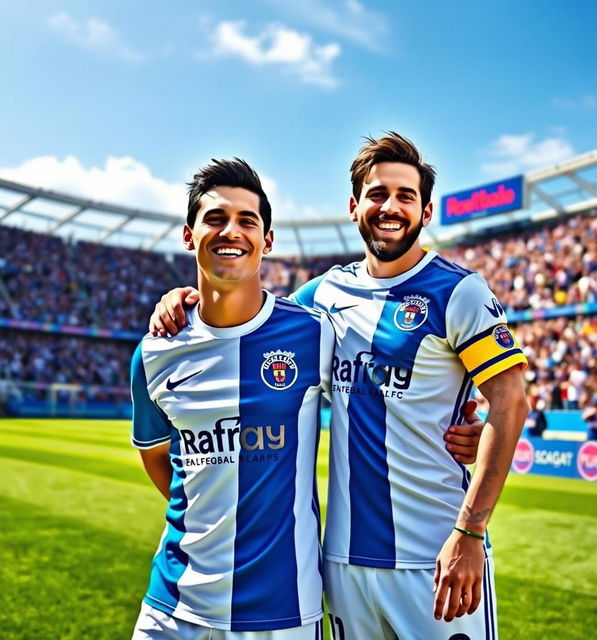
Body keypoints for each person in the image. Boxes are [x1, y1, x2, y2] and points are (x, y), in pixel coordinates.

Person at [149, 133, 529, 639]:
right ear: (355, 207)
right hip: (342, 564)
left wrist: (469, 531)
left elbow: (511, 400)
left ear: (426, 211)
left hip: (436, 555)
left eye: (404, 195)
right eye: (376, 194)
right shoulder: (323, 297)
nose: (389, 206)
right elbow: (248, 310)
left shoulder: (459, 291)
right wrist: (187, 298)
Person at [130, 158, 335, 638]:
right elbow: (156, 456)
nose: (231, 231)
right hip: (172, 605)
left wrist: (467, 426)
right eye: (216, 218)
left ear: (267, 241)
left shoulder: (314, 333)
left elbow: (389, 396)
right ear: (189, 234)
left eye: (248, 220)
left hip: (282, 610)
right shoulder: (155, 351)